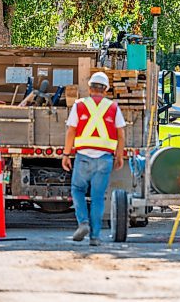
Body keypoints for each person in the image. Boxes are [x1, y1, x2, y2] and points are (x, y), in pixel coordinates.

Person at [62, 72, 125, 246]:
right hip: (105, 158)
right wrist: (119, 155)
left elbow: (71, 130)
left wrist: (66, 154)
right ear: (106, 90)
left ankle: (83, 223)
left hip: (83, 157)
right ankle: (95, 237)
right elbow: (121, 133)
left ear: (90, 89)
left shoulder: (80, 105)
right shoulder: (113, 107)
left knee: (77, 190)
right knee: (97, 197)